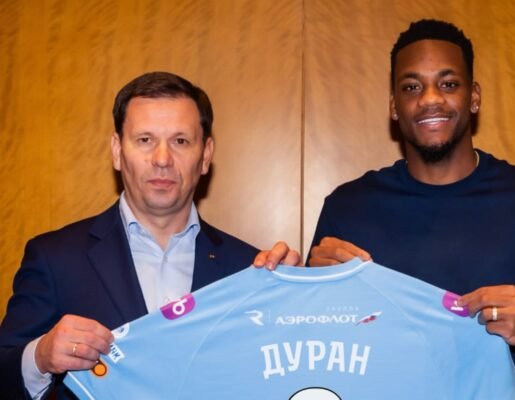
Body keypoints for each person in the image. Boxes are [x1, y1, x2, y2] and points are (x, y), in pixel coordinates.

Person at [264, 19, 515, 400]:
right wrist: (307, 291)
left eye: (448, 83)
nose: (429, 99)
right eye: (411, 87)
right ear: (394, 106)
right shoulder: (347, 208)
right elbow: (310, 348)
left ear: (474, 97)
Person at [0, 71, 296, 400]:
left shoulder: (249, 270)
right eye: (145, 140)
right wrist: (39, 358)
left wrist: (292, 302)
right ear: (117, 150)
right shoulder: (55, 258)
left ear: (205, 155)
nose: (162, 159)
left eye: (180, 141)